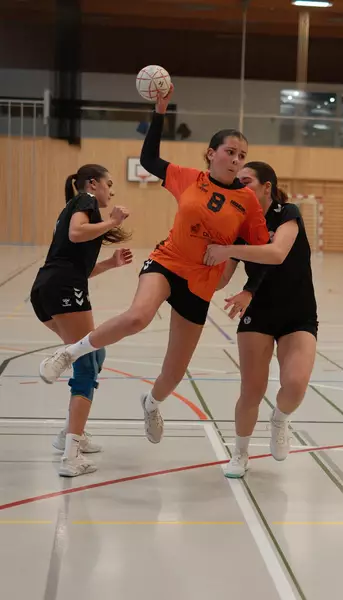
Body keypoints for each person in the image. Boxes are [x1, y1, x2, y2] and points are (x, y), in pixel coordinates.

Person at [38, 84, 270, 447]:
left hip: (201, 282)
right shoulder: (188, 178)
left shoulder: (248, 202)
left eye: (242, 155)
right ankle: (68, 353)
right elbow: (148, 160)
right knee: (137, 317)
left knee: (174, 371)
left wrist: (245, 282)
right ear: (212, 153)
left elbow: (262, 251)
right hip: (167, 261)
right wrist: (160, 112)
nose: (236, 160)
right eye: (230, 152)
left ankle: (151, 403)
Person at [205, 162, 318, 478]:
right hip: (258, 313)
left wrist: (229, 250)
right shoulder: (237, 225)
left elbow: (277, 253)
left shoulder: (288, 214)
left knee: (295, 384)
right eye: (237, 182)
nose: (240, 187)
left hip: (298, 312)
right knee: (251, 390)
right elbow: (221, 279)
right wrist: (193, 268)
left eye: (247, 181)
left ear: (267, 187)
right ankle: (240, 453)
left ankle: (279, 419)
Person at [31, 164, 132, 477]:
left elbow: (77, 265)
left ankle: (69, 434)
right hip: (63, 288)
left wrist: (110, 263)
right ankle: (70, 455)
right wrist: (113, 221)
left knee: (95, 354)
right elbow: (76, 234)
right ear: (92, 183)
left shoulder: (79, 209)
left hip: (47, 288)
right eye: (108, 183)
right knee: (87, 365)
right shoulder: (85, 201)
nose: (111, 190)